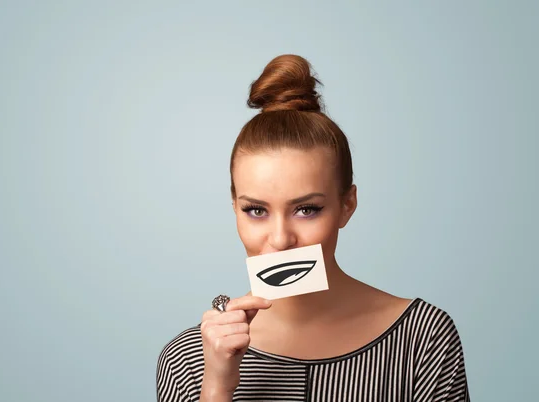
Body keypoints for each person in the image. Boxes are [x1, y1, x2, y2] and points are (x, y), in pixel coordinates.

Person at [156, 54, 470, 401]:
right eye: (256, 210)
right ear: (234, 209)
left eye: (306, 209)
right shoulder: (187, 360)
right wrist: (216, 386)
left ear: (346, 205)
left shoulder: (423, 339)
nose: (280, 239)